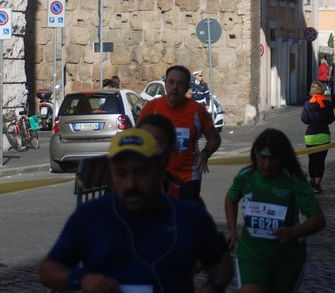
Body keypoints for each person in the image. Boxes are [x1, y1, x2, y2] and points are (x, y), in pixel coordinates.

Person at [39, 128, 233, 293]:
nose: (131, 183)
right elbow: (49, 269)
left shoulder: (190, 216)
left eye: (141, 172)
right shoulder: (90, 216)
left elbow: (222, 262)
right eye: (121, 173)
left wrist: (213, 286)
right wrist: (82, 279)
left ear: (159, 171)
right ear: (112, 173)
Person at [225, 128, 326, 292]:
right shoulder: (245, 176)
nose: (266, 164)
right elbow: (231, 198)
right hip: (252, 256)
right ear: (254, 154)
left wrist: (293, 232)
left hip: (287, 261)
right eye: (261, 157)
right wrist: (231, 229)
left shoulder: (293, 181)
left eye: (272, 159)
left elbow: (318, 220)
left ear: (283, 158)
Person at [138, 65, 221, 203]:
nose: (175, 87)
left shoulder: (197, 110)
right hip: (157, 175)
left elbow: (214, 138)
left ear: (188, 87)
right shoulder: (152, 107)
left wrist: (206, 153)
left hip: (188, 177)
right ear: (165, 84)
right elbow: (137, 136)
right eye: (171, 82)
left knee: (186, 216)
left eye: (180, 83)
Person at [136, 113, 183, 198]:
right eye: (144, 141)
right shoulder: (117, 191)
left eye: (158, 142)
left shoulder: (183, 192)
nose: (151, 148)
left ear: (170, 146)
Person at [301, 81, 335, 193]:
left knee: (312, 159)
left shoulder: (307, 104)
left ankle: (312, 180)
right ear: (322, 90)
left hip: (310, 136)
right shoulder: (328, 103)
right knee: (320, 161)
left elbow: (304, 119)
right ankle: (317, 184)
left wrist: (312, 121)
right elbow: (331, 119)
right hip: (323, 135)